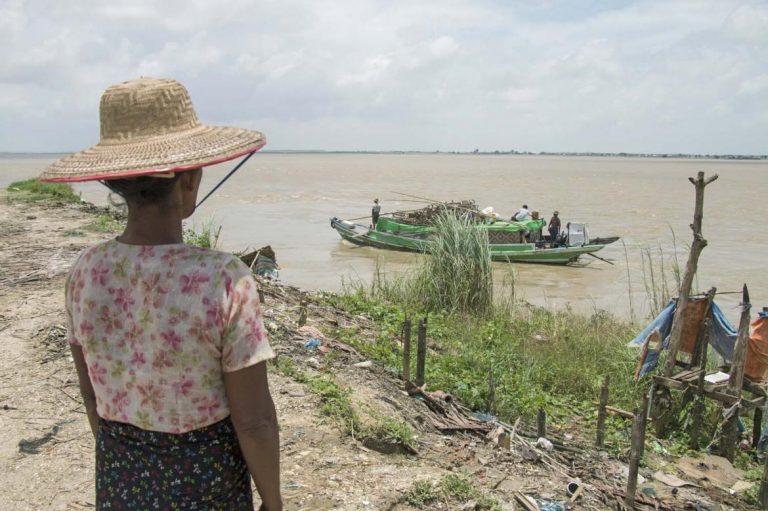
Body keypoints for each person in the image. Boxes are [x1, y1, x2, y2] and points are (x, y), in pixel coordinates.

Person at [39, 78, 282, 510]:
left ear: (116, 183)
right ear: (188, 180)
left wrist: (128, 461)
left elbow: (91, 393)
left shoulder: (85, 271)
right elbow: (255, 419)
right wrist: (274, 500)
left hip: (120, 473)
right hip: (206, 482)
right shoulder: (226, 279)